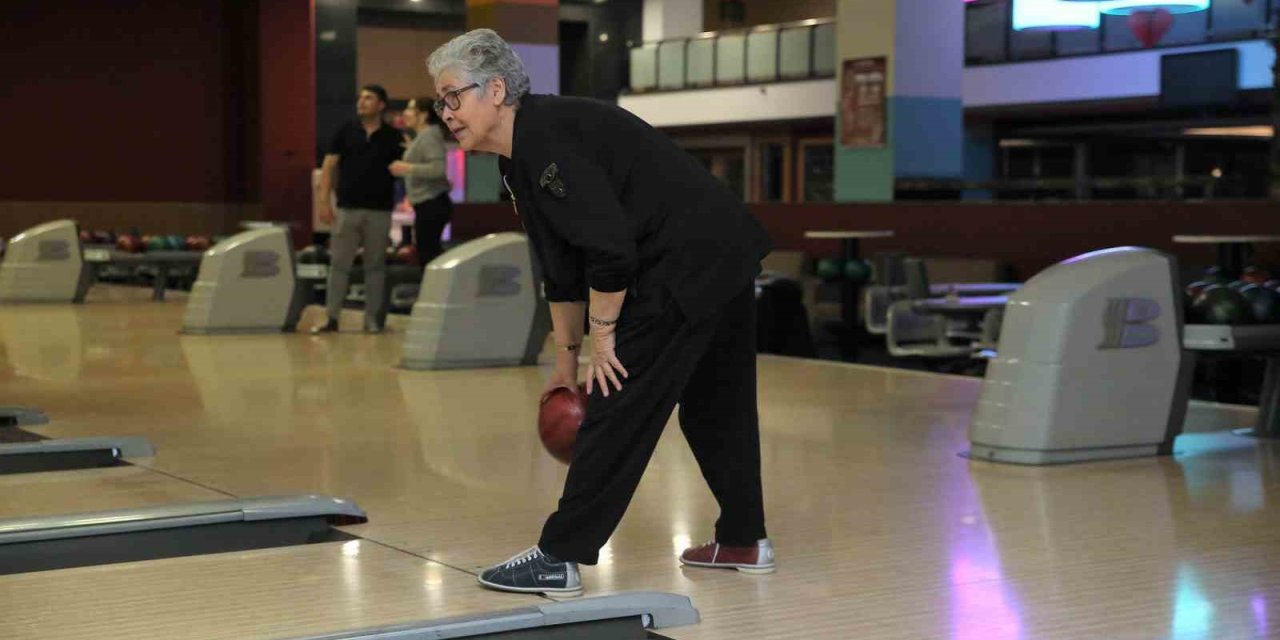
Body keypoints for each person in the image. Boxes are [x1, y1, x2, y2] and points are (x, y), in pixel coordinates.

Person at [427, 29, 775, 597]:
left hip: (684, 262)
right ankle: (744, 539)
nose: (445, 113)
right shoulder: (521, 157)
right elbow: (561, 269)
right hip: (721, 255)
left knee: (617, 402)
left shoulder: (548, 140)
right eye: (439, 102)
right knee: (715, 406)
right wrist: (566, 363)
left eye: (451, 97)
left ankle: (560, 556)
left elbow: (610, 251)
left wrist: (604, 337)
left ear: (494, 90)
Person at [313, 84, 402, 334]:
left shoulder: (393, 137)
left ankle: (372, 320)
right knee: (339, 265)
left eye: (368, 98)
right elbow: (329, 167)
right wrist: (323, 201)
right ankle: (331, 318)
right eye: (360, 98)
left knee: (375, 267)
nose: (361, 102)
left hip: (380, 211)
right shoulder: (345, 131)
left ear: (381, 105)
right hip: (347, 209)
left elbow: (404, 167)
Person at [390, 97, 452, 264]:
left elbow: (437, 169)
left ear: (423, 115)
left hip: (432, 203)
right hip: (427, 203)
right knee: (427, 251)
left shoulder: (430, 135)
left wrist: (406, 167)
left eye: (410, 109)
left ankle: (432, 289)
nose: (405, 113)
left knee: (428, 255)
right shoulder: (423, 136)